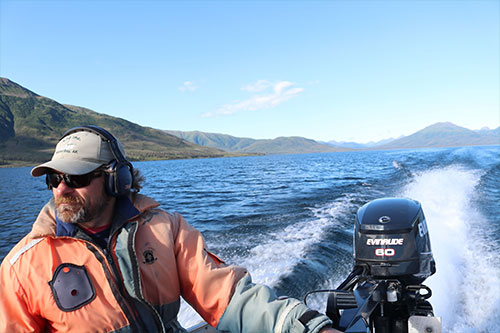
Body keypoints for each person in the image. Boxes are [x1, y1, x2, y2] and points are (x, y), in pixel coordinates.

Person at [0, 125, 339, 333]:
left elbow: (229, 297)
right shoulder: (22, 267)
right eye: (54, 178)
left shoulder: (166, 230)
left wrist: (306, 328)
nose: (61, 189)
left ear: (117, 180)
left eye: (76, 178)